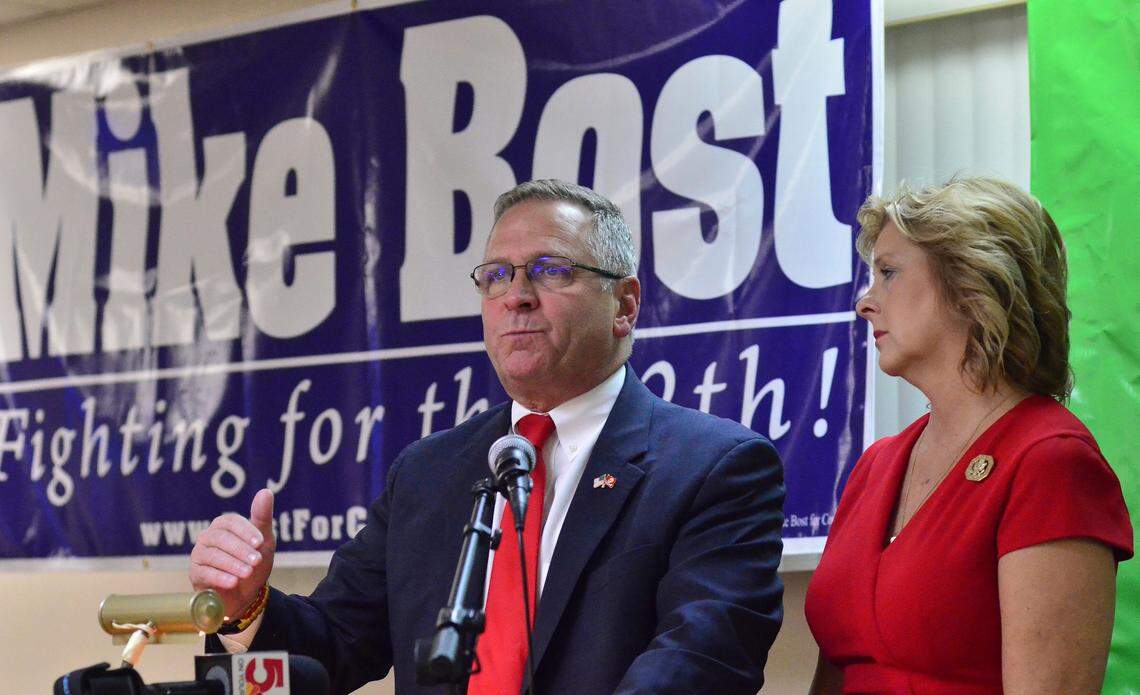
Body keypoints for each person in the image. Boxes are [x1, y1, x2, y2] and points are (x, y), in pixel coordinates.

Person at [189, 180, 785, 694]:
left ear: (624, 306)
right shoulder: (427, 472)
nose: (517, 297)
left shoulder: (715, 468)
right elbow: (339, 645)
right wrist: (249, 607)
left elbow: (701, 664)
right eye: (496, 276)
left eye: (551, 271)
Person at [805, 177, 1133, 694]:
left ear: (973, 283)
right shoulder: (876, 465)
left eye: (889, 273)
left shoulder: (1049, 461)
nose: (865, 303)